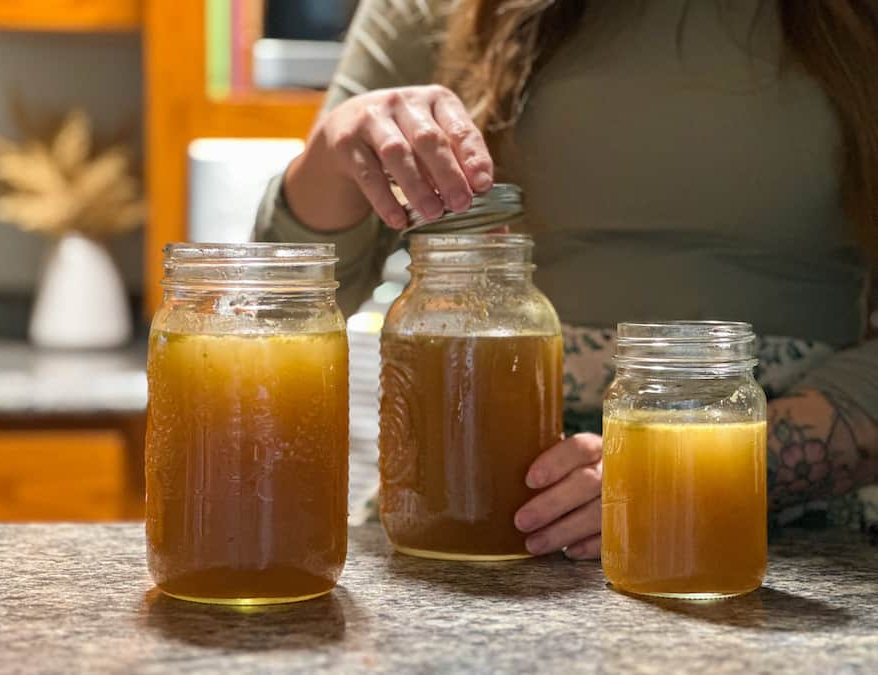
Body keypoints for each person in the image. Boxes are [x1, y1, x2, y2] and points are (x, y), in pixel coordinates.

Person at [256, 0, 878, 557]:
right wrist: (334, 151)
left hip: (794, 518)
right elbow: (279, 309)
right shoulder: (432, 11)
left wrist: (701, 462)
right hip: (470, 511)